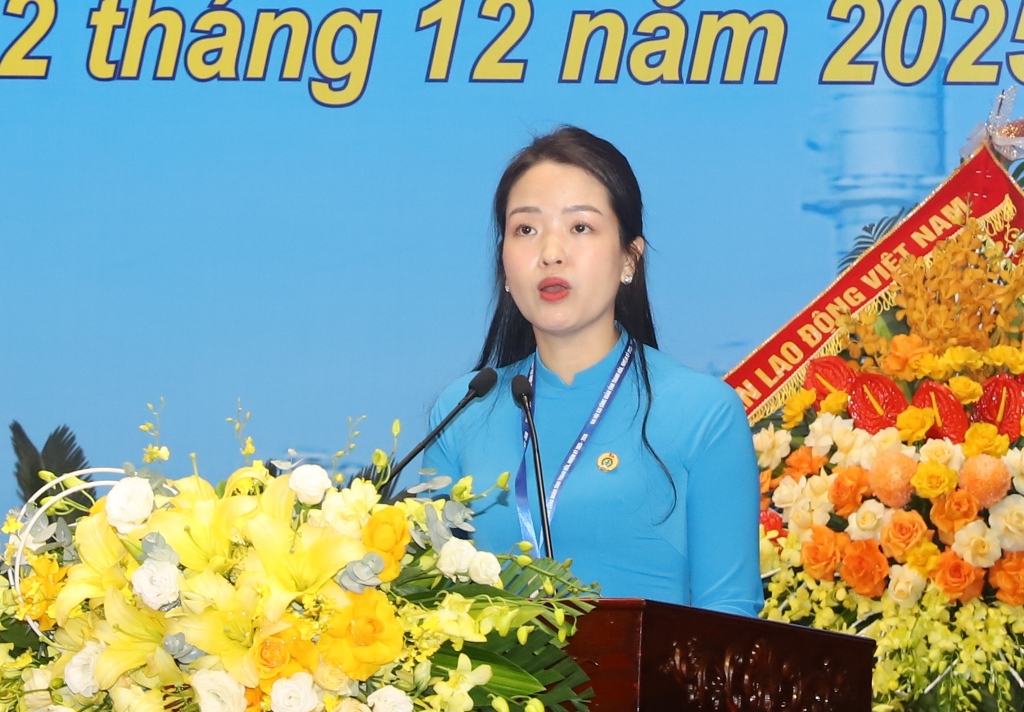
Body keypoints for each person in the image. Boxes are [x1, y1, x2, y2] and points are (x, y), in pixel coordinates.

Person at [418, 127, 762, 617]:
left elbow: (731, 620)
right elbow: (429, 609)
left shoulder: (701, 413)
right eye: (526, 230)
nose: (551, 253)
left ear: (629, 258)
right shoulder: (463, 411)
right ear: (504, 265)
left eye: (580, 227)